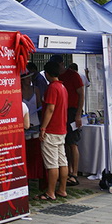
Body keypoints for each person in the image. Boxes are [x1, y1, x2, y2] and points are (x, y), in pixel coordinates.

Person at [50, 54, 84, 186]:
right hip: (62, 111)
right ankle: (67, 171)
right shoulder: (57, 77)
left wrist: (78, 114)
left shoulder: (73, 75)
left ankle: (74, 173)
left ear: (61, 64)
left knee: (73, 143)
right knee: (64, 143)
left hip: (72, 111)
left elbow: (81, 94)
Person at [38, 60, 69, 201]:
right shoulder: (63, 87)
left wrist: (43, 127)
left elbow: (50, 109)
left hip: (52, 129)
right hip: (61, 129)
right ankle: (62, 189)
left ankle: (50, 192)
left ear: (47, 73)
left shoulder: (52, 88)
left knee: (52, 164)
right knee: (62, 161)